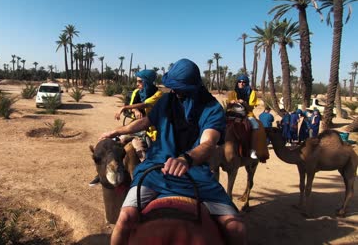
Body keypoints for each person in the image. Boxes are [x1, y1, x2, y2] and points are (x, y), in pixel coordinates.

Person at [100, 59, 246, 245]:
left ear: (193, 86)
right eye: (172, 87)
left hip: (195, 173)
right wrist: (117, 131)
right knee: (125, 219)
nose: (174, 91)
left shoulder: (212, 108)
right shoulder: (167, 100)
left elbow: (208, 142)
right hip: (155, 169)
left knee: (237, 229)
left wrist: (186, 159)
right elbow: (146, 122)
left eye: (179, 87)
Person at [89, 70, 163, 186]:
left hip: (151, 130)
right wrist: (135, 110)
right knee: (112, 142)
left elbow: (146, 104)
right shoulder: (136, 93)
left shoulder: (158, 94)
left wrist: (124, 107)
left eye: (140, 81)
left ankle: (146, 174)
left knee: (139, 147)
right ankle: (101, 173)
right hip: (136, 126)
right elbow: (134, 107)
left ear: (147, 82)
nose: (137, 84)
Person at [227, 75, 262, 159]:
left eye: (244, 82)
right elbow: (228, 107)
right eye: (240, 81)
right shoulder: (232, 93)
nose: (241, 83)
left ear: (246, 83)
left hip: (247, 114)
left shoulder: (252, 93)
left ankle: (253, 150)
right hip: (233, 113)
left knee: (255, 126)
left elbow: (251, 107)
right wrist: (230, 103)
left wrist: (244, 103)